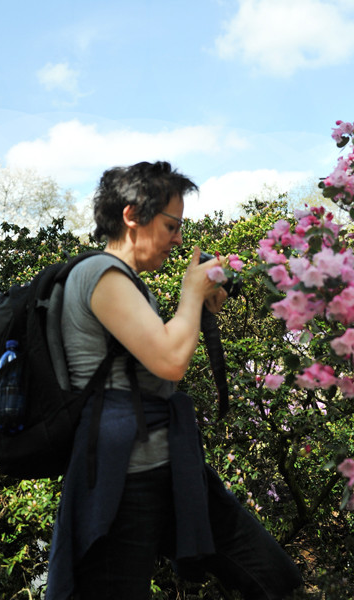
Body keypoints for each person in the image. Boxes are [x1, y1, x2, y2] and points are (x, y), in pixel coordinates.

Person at [45, 161, 303, 600]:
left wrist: (200, 306)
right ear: (132, 216)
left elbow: (157, 356)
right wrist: (190, 293)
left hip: (172, 468)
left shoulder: (128, 284)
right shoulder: (99, 275)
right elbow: (170, 361)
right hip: (122, 481)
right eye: (171, 225)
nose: (179, 238)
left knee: (272, 576)